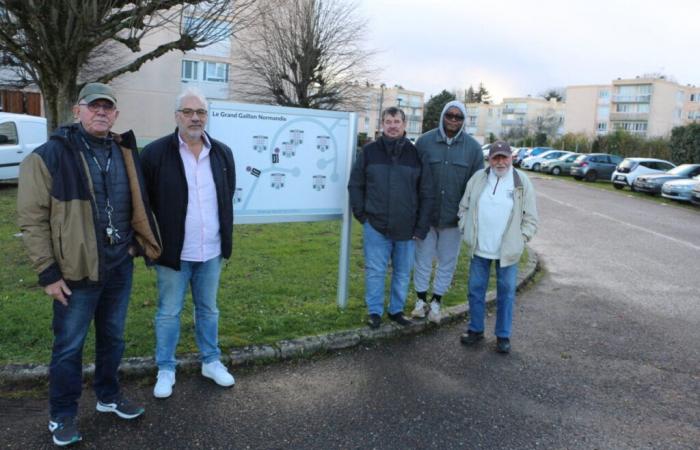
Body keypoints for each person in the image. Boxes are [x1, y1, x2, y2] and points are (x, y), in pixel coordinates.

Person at [17, 82, 161, 447]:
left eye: (107, 107)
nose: (101, 112)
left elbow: (137, 204)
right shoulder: (49, 155)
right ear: (77, 111)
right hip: (75, 271)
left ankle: (108, 397)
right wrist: (48, 273)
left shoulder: (124, 150)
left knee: (113, 338)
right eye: (93, 106)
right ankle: (62, 415)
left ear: (115, 115)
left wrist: (134, 247)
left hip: (118, 265)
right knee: (69, 346)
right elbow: (32, 220)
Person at [141, 87, 236, 399]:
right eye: (188, 112)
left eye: (201, 112)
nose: (195, 118)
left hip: (211, 251)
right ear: (176, 116)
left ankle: (211, 361)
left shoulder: (222, 153)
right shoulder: (155, 154)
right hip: (173, 253)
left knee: (208, 309)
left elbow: (226, 197)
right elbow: (143, 205)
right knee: (169, 311)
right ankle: (166, 367)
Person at [348, 106, 433, 329]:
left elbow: (426, 192)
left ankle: (396, 310)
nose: (393, 125)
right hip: (375, 225)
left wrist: (421, 227)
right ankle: (374, 312)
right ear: (382, 124)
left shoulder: (415, 154)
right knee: (375, 271)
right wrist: (362, 215)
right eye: (388, 121)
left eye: (397, 121)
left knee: (403, 272)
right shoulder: (369, 152)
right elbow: (356, 184)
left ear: (404, 125)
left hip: (407, 228)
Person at [457, 141, 538, 353]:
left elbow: (531, 217)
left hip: (508, 251)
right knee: (475, 291)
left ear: (511, 158)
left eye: (504, 157)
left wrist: (522, 238)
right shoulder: (478, 179)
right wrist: (465, 228)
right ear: (489, 159)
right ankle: (475, 330)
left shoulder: (521, 181)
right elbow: (463, 207)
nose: (500, 162)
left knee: (506, 293)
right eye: (496, 157)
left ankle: (503, 336)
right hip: (480, 248)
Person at [410, 101, 484, 323]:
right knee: (422, 259)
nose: (453, 120)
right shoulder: (424, 142)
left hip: (454, 218)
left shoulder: (473, 148)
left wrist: (469, 214)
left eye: (458, 117)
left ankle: (436, 302)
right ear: (443, 116)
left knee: (447, 262)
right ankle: (420, 300)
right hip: (426, 216)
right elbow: (412, 177)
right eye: (450, 115)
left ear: (463, 120)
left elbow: (477, 185)